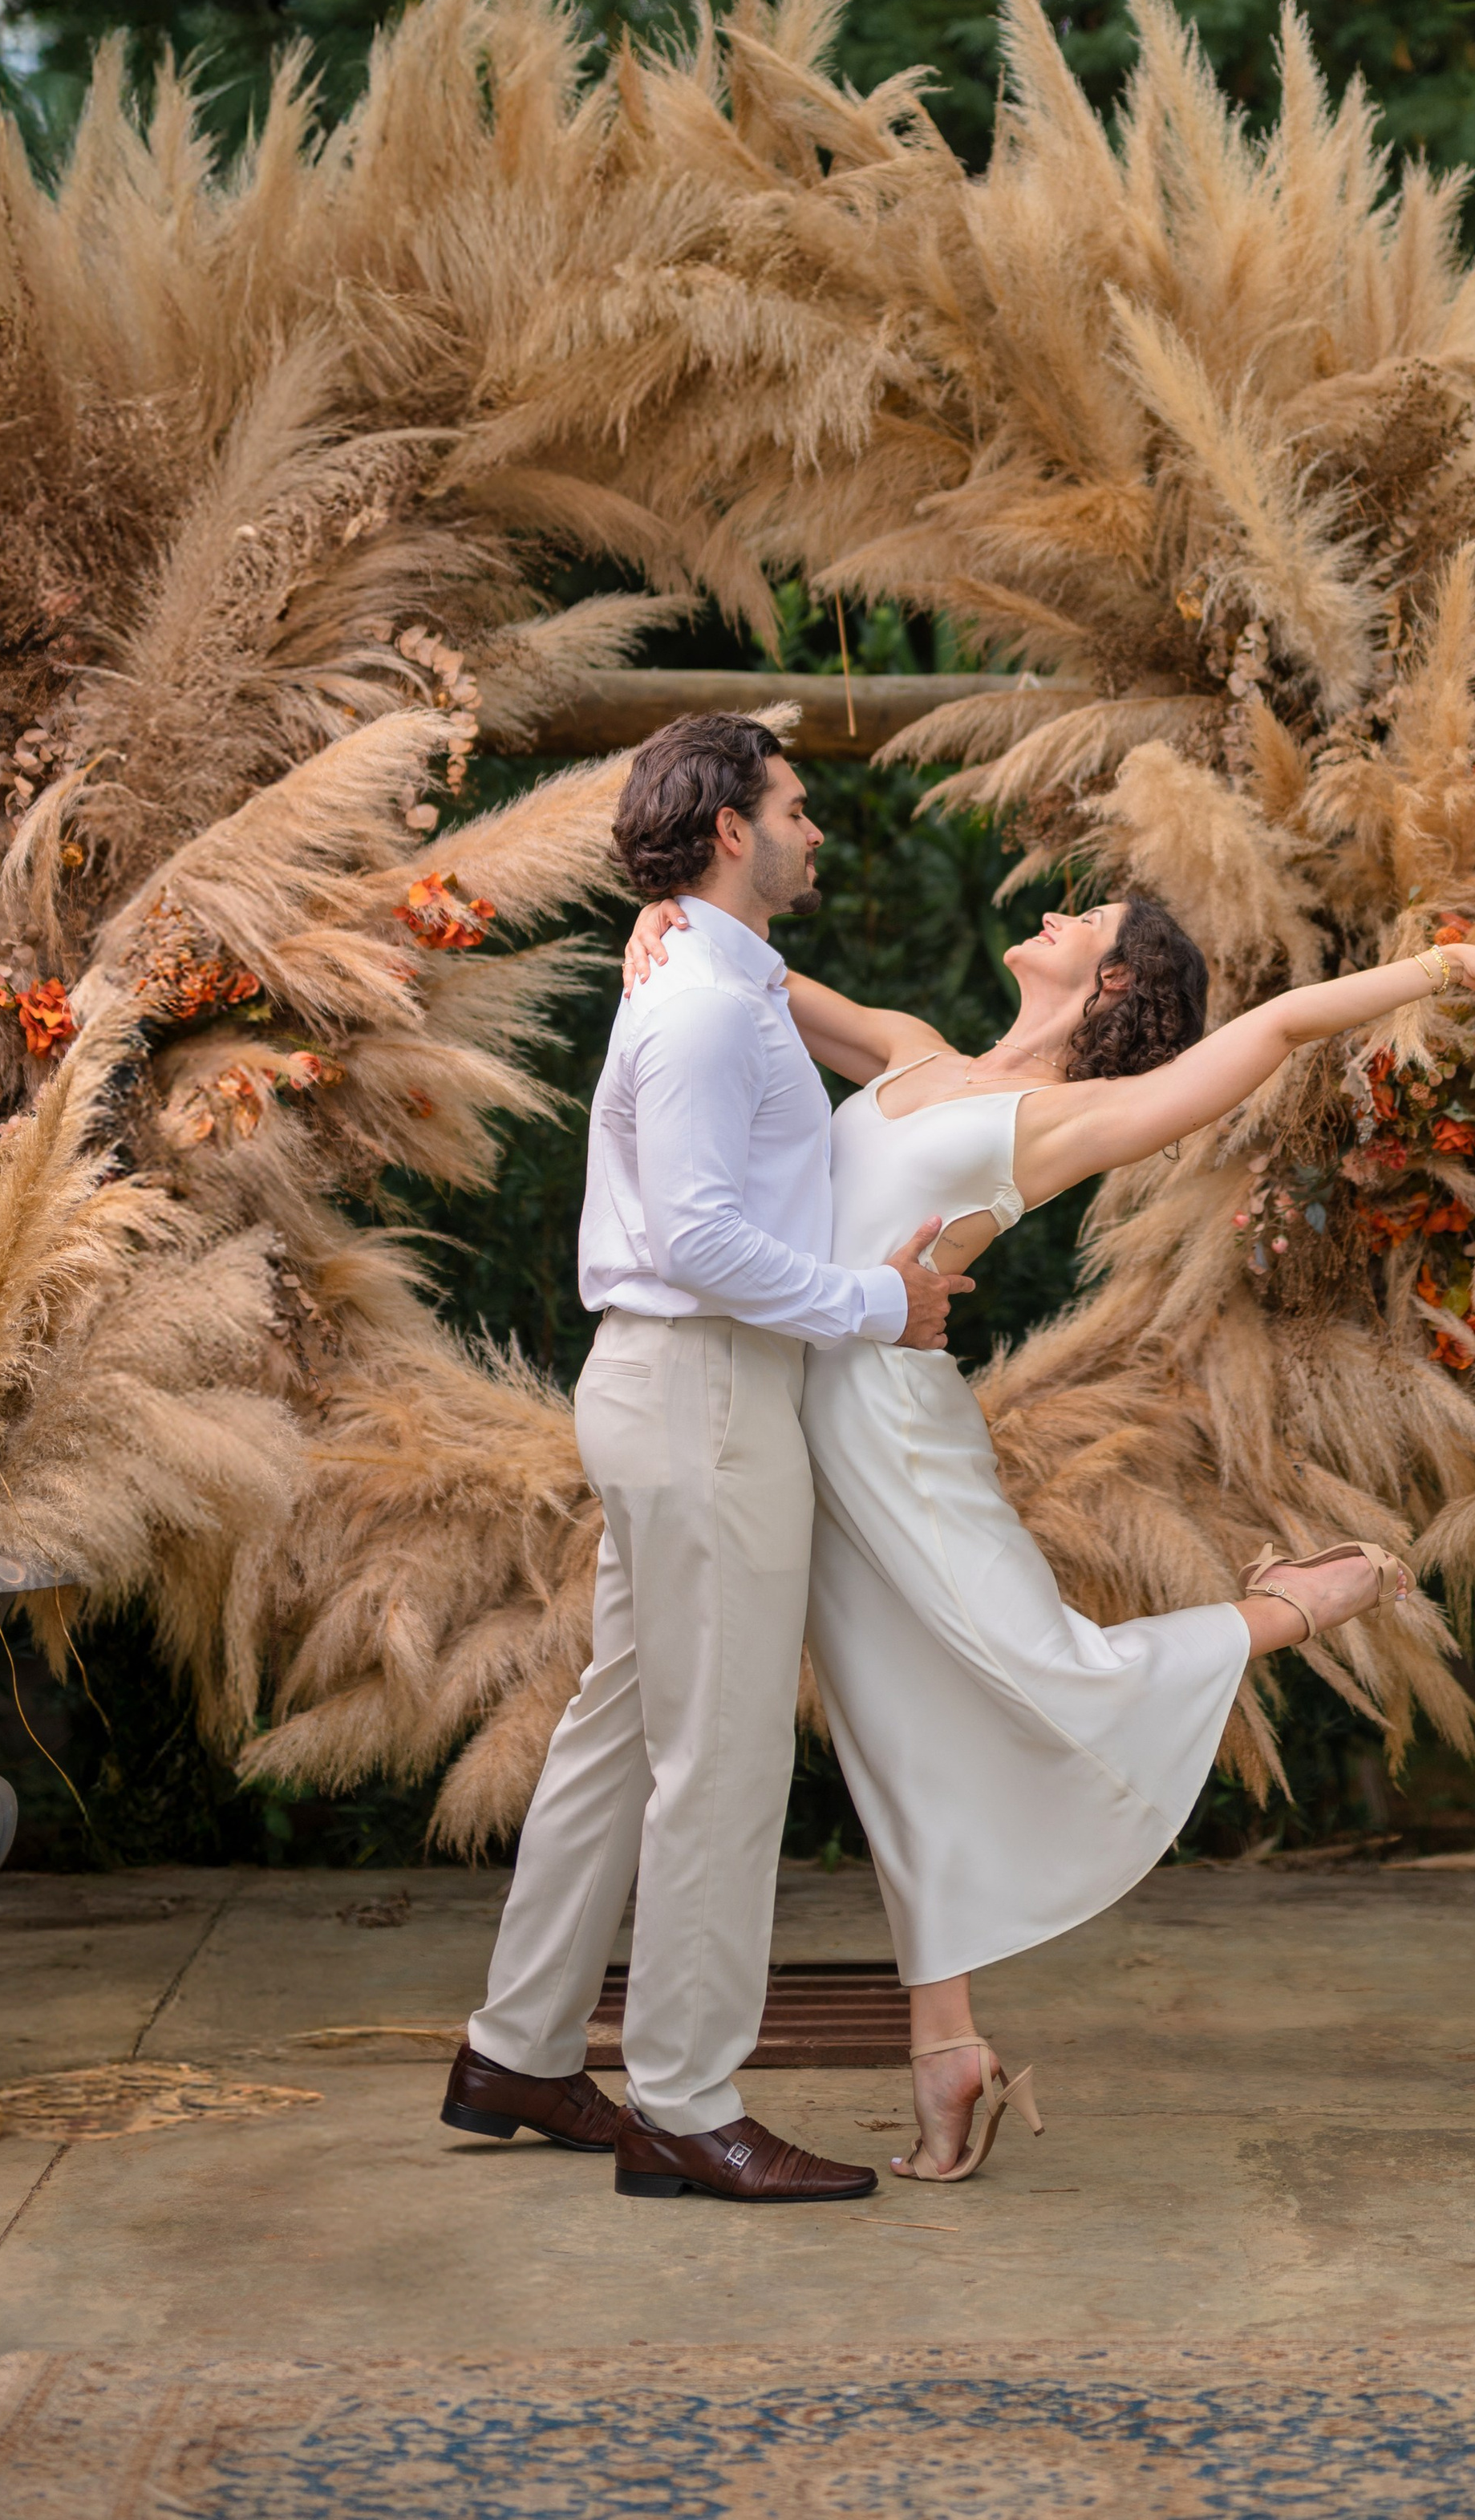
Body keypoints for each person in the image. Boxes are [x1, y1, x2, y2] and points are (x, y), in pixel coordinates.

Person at [622, 859, 1475, 2185]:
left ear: (1113, 981)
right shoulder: (911, 1049)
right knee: (895, 1733)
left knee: (1037, 1669)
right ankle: (947, 2054)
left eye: (1091, 923)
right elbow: (755, 982)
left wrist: (1451, 967)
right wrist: (662, 918)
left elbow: (1281, 1029)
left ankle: (1285, 1611)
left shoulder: (1071, 1117)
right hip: (800, 1405)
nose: (1059, 915)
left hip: (889, 1431)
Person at [441, 714, 973, 2205]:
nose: (815, 832)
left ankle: (522, 2050)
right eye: (796, 808)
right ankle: (683, 2100)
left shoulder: (707, 973)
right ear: (734, 828)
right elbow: (696, 1240)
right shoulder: (700, 1009)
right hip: (707, 1395)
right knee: (720, 1760)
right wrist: (887, 1305)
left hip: (685, 1393)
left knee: (622, 1732)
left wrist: (659, 918)